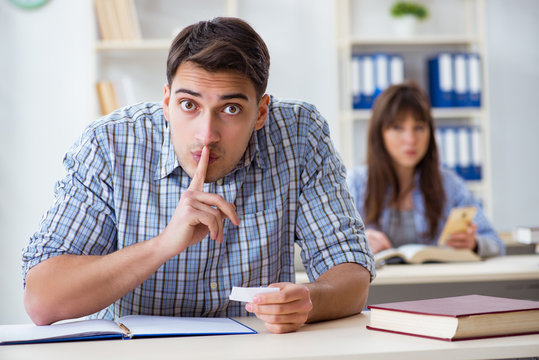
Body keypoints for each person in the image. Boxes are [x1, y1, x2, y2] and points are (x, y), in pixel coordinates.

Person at [22, 17, 374, 334]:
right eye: (189, 105)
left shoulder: (299, 134)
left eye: (231, 109)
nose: (207, 134)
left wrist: (309, 300)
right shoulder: (109, 144)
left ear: (261, 112)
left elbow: (350, 274)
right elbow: (42, 301)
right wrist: (163, 244)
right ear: (166, 101)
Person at [347, 81, 504, 257]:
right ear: (379, 133)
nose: (411, 139)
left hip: (437, 283)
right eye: (398, 127)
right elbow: (325, 250)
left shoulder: (449, 185)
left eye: (419, 127)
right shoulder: (355, 183)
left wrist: (474, 244)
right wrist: (356, 243)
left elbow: (496, 244)